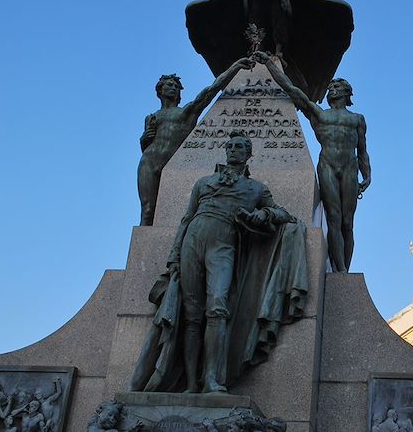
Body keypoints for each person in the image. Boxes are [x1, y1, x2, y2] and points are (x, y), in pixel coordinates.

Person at [130, 130, 309, 393]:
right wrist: (173, 258)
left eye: (240, 147)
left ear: (249, 154)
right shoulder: (203, 183)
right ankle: (191, 383)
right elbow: (185, 220)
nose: (234, 149)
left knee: (217, 307)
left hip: (223, 245)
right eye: (231, 146)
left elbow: (283, 213)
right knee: (191, 315)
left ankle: (213, 378)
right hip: (193, 241)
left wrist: (264, 213)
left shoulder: (256, 188)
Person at [255, 52, 371, 272]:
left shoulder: (357, 119)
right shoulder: (320, 115)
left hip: (350, 167)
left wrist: (368, 175)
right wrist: (270, 64)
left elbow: (362, 150)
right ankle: (340, 270)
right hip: (327, 164)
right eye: (330, 88)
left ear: (347, 94)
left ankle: (345, 269)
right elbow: (292, 91)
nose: (332, 90)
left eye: (337, 88)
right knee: (334, 219)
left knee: (348, 222)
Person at [137, 57, 254, 226]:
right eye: (169, 85)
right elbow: (147, 144)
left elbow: (210, 91)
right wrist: (143, 139)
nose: (173, 88)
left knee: (175, 212)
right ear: (160, 90)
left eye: (176, 86)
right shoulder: (151, 117)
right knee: (147, 210)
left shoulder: (186, 112)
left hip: (172, 164)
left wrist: (234, 68)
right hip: (148, 161)